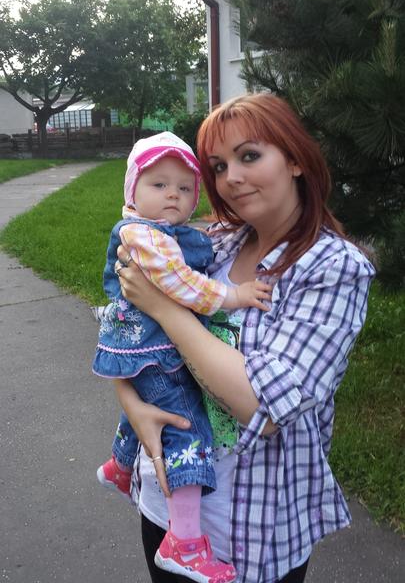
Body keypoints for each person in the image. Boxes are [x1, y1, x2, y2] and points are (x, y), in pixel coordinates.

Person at [113, 93, 376, 583]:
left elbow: (265, 409)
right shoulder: (211, 243)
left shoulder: (333, 268)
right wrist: (131, 403)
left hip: (251, 537)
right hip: (166, 509)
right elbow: (126, 329)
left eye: (249, 156)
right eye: (217, 166)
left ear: (295, 160)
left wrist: (166, 308)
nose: (230, 177)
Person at [92, 131, 271, 583]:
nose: (173, 194)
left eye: (185, 187)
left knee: (156, 401)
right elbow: (180, 284)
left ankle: (120, 465)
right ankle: (185, 543)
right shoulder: (143, 236)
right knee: (186, 426)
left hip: (147, 349)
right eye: (159, 185)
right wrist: (234, 296)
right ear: (132, 192)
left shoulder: (171, 233)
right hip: (154, 348)